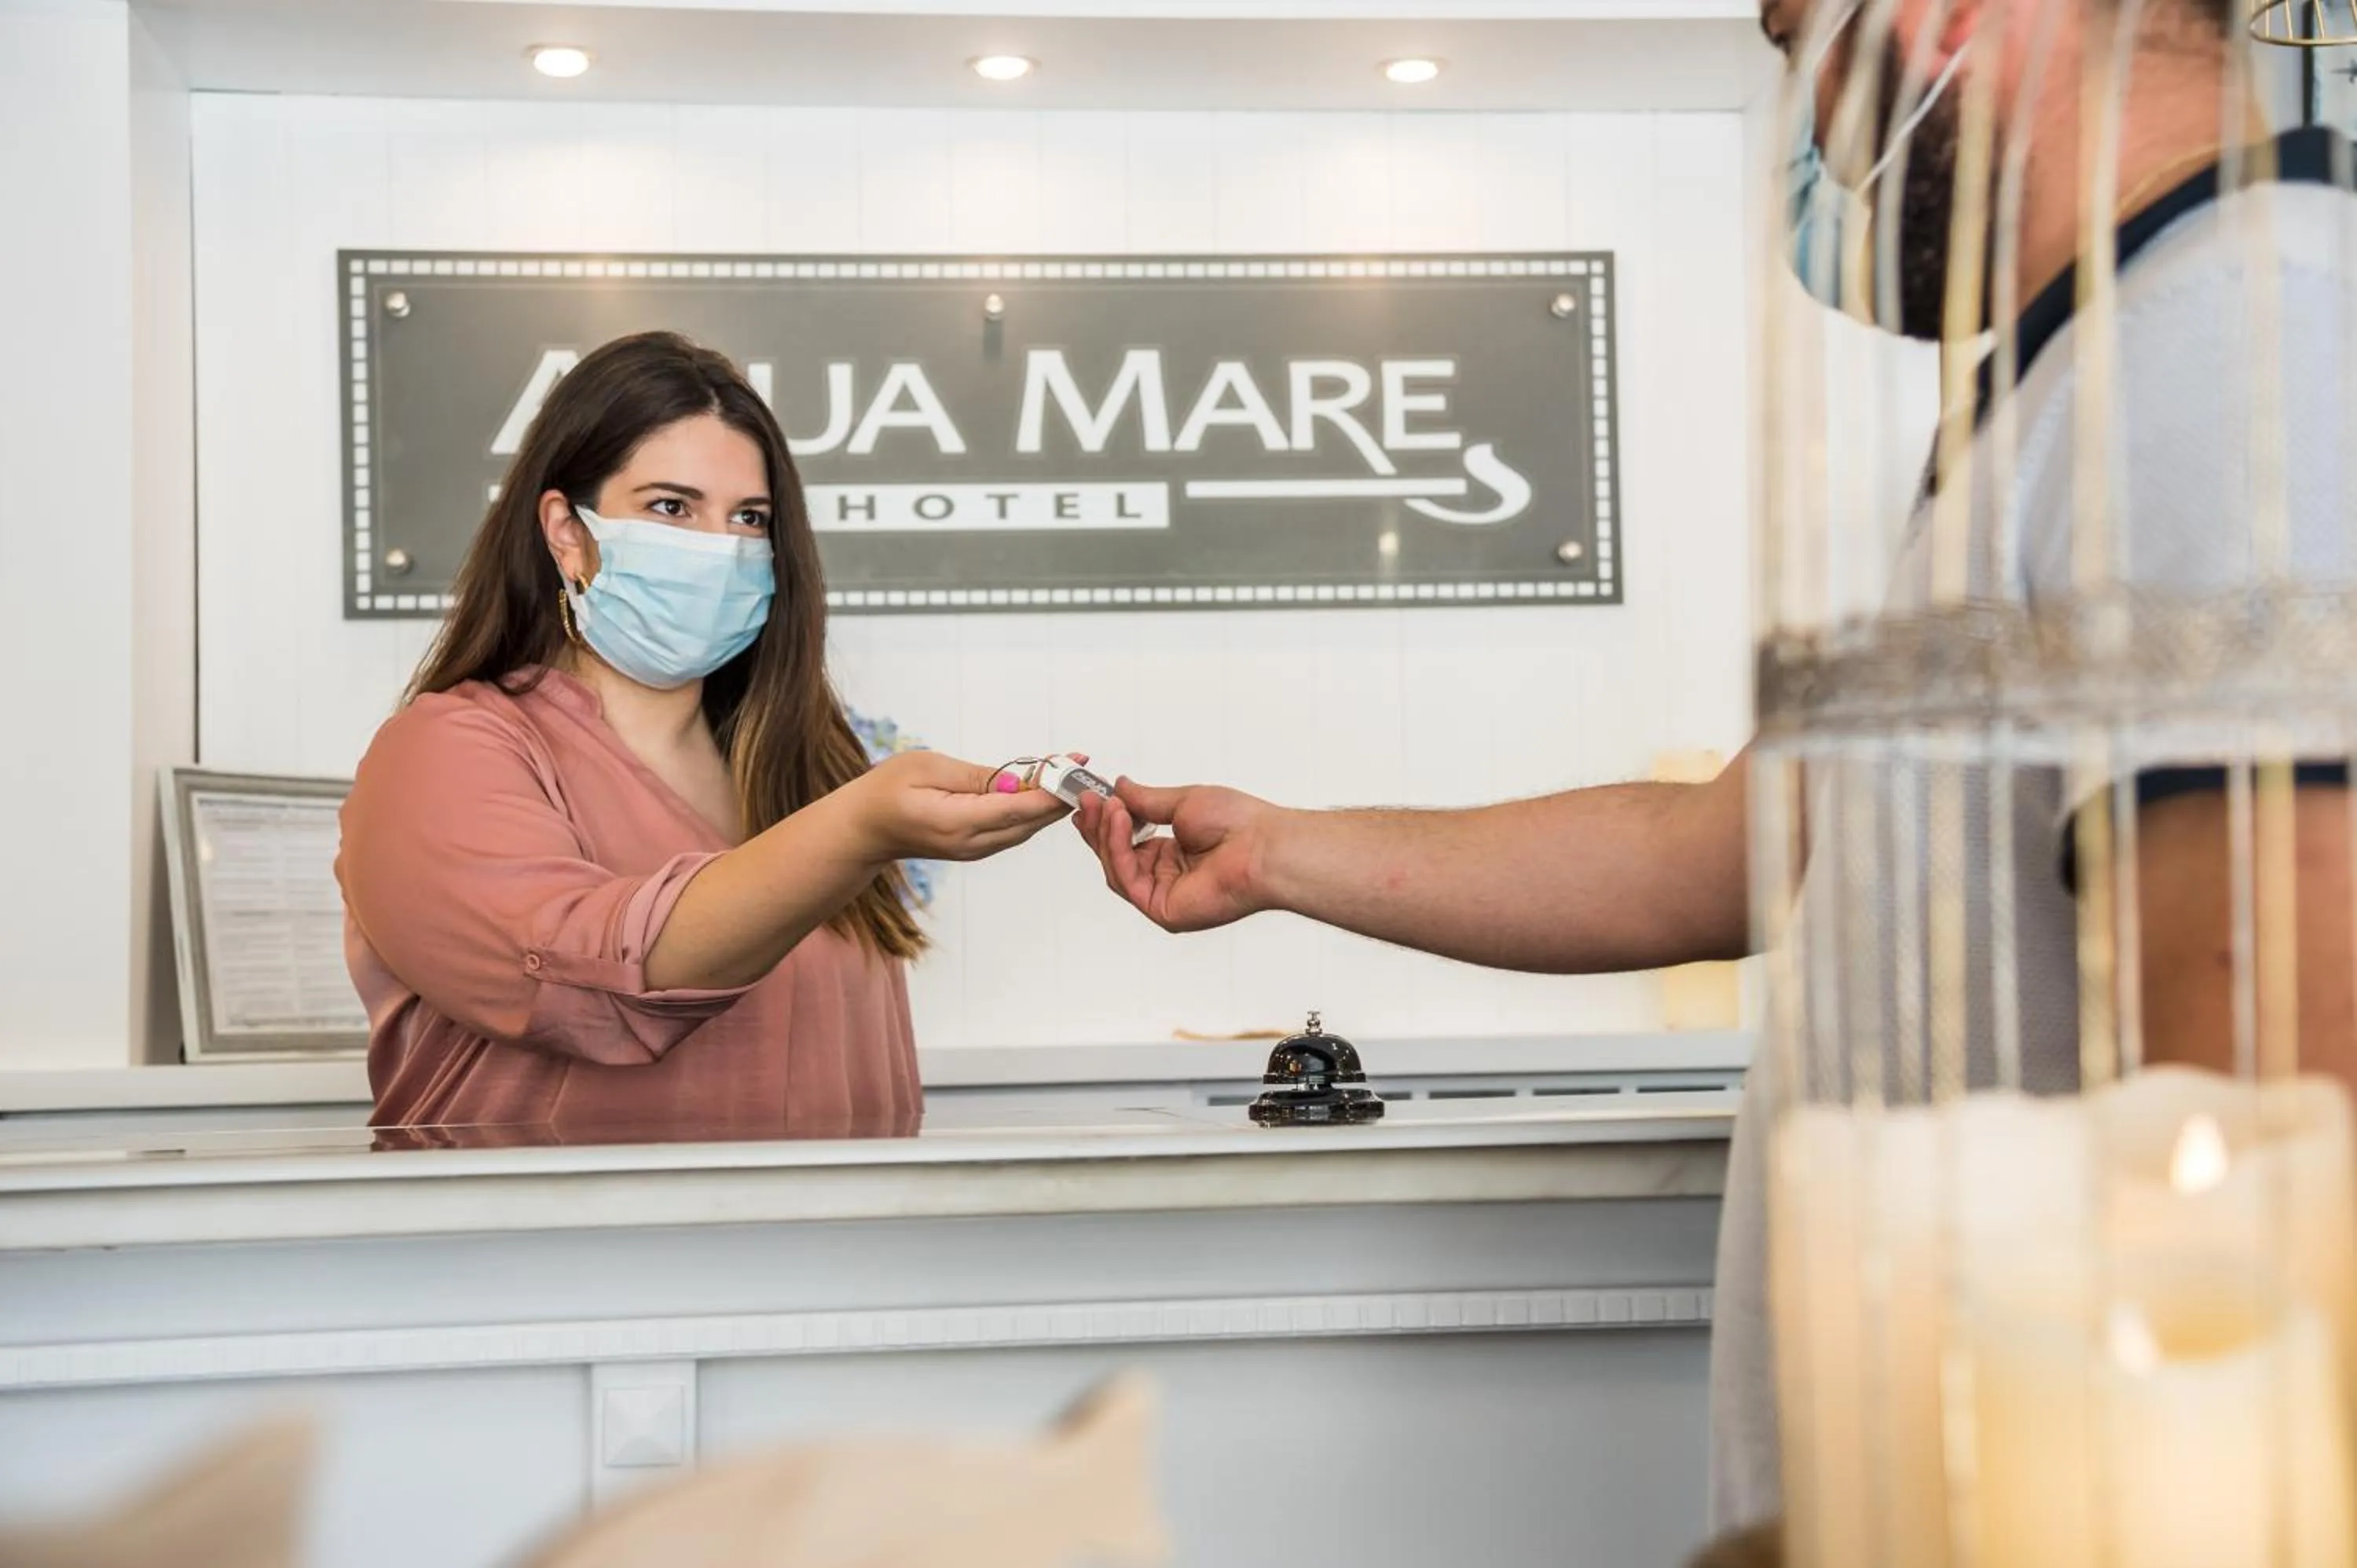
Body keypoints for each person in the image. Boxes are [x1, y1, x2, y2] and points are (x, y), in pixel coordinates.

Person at [1074, 0, 2357, 1536]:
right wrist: (1279, 851)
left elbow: (2281, 1107)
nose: (1813, 117)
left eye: (1804, 33)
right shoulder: (2077, 386)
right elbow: (1725, 844)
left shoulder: (2235, 347)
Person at [339, 332, 1072, 1134]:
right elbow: (580, 979)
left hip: (844, 1250)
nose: (720, 550)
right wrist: (862, 827)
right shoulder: (444, 754)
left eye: (749, 517)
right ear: (568, 532)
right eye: (670, 507)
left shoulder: (805, 765)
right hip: (555, 1256)